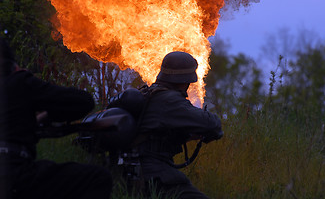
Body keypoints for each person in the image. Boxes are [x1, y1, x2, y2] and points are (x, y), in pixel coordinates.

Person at [0, 39, 113, 199]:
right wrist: (48, 115)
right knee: (98, 178)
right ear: (13, 66)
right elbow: (83, 102)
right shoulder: (18, 82)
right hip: (13, 175)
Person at [137, 51, 223, 199]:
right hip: (154, 173)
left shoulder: (147, 93)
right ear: (185, 81)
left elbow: (154, 133)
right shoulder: (169, 100)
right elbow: (212, 124)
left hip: (137, 169)